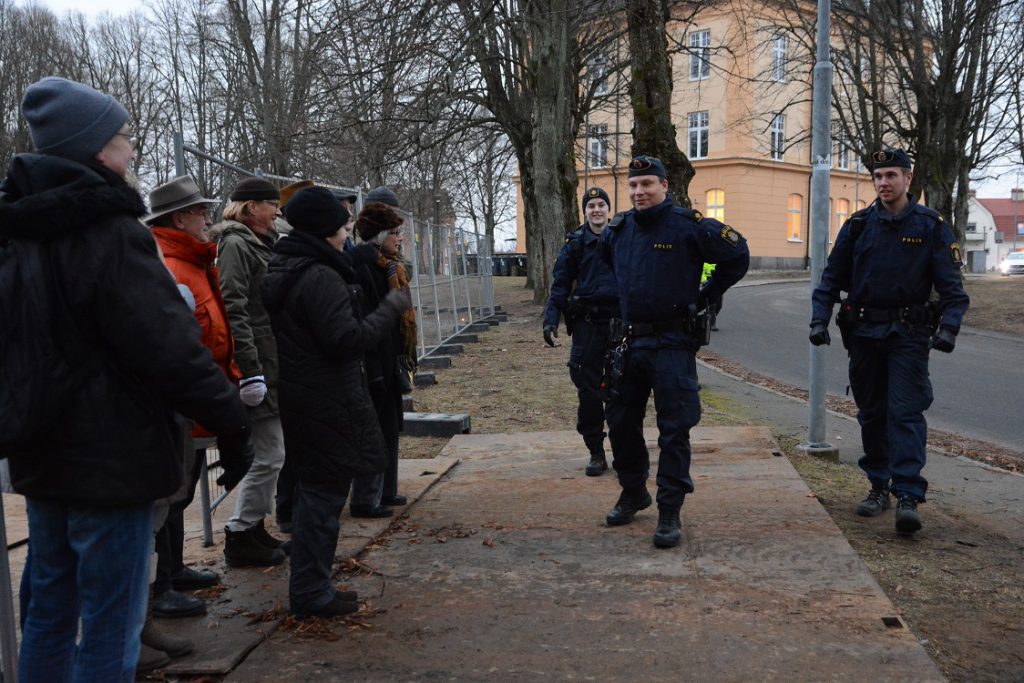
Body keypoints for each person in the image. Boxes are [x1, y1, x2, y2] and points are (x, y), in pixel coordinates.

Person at [0, 76, 250, 682]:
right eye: (123, 139)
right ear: (93, 152)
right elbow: (167, 345)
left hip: (43, 452)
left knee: (50, 610)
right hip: (112, 455)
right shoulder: (110, 233)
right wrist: (232, 421)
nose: (132, 151)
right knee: (112, 621)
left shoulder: (15, 234)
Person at [261, 187, 411, 617]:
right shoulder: (320, 276)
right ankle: (311, 592)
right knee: (322, 499)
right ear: (325, 231)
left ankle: (313, 585)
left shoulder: (295, 266)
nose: (348, 235)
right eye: (344, 228)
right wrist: (388, 310)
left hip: (306, 394)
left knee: (318, 495)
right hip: (324, 397)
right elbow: (345, 340)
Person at [809, 147, 969, 535]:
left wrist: (948, 329)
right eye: (878, 177)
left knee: (905, 413)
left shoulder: (930, 226)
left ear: (907, 178)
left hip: (908, 336)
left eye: (891, 176)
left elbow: (953, 289)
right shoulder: (859, 225)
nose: (883, 183)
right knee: (872, 414)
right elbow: (830, 280)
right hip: (863, 335)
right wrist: (819, 320)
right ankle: (878, 485)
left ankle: (908, 494)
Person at [600, 155, 750, 549]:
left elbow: (738, 255)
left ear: (664, 186)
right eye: (633, 185)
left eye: (647, 184)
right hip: (631, 343)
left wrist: (706, 296)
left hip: (672, 345)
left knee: (674, 431)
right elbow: (609, 265)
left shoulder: (688, 226)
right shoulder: (619, 229)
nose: (638, 192)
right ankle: (634, 491)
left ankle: (670, 510)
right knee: (620, 424)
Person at [147, 176, 239, 615]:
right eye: (200, 212)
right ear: (179, 217)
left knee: (182, 488)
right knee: (170, 491)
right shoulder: (169, 263)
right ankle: (160, 584)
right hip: (183, 398)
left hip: (201, 395)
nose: (207, 218)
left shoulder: (195, 261)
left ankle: (175, 568)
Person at [216, 177, 292, 566]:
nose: (277, 211)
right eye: (271, 204)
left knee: (272, 453)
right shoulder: (235, 244)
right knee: (270, 453)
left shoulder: (262, 242)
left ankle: (252, 529)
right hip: (258, 362)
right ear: (250, 208)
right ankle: (240, 532)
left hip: (271, 358)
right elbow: (235, 309)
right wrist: (250, 370)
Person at [348, 186, 416, 518]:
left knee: (388, 426)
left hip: (388, 359)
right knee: (374, 430)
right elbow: (367, 318)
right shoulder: (364, 264)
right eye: (396, 233)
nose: (401, 239)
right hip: (373, 362)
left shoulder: (390, 265)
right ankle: (367, 497)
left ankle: (385, 490)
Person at [542, 186, 620, 476]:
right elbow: (560, 284)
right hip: (587, 326)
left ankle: (623, 452)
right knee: (588, 392)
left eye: (601, 205)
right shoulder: (574, 244)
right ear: (585, 211)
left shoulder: (621, 239)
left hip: (617, 325)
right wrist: (550, 319)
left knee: (620, 390)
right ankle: (596, 452)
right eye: (591, 206)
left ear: (608, 210)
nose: (596, 210)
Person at [271, 178, 313, 533]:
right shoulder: (284, 245)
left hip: (294, 355)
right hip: (288, 357)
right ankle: (287, 508)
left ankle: (293, 505)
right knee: (290, 445)